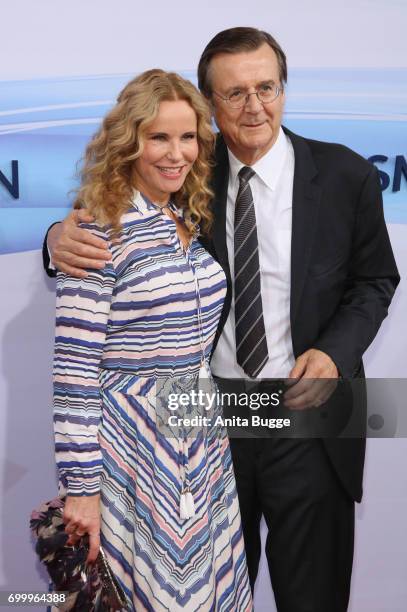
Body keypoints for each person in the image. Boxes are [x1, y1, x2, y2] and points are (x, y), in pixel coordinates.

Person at [44, 28, 400, 612]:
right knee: (208, 596)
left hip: (307, 411)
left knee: (314, 596)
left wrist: (335, 353)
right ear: (211, 104)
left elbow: (375, 280)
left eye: (267, 87)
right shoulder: (183, 172)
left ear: (284, 89)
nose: (254, 105)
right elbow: (109, 228)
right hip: (201, 422)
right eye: (235, 93)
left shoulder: (345, 176)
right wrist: (57, 237)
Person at [50, 68, 252, 611]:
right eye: (158, 137)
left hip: (199, 444)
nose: (176, 152)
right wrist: (82, 488)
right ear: (129, 142)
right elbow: (74, 372)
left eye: (187, 137)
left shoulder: (184, 216)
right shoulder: (99, 230)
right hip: (131, 454)